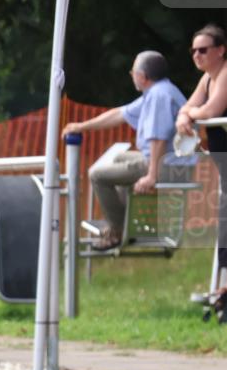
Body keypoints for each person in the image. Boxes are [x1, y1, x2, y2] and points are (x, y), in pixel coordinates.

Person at [63, 51, 193, 251]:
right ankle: (125, 222)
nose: (131, 75)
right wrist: (81, 126)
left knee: (96, 175)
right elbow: (119, 114)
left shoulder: (159, 96)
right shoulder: (159, 91)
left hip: (168, 165)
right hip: (171, 160)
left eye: (133, 71)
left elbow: (158, 137)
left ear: (142, 76)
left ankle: (117, 229)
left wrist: (151, 175)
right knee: (119, 158)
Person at [175, 24, 227, 295]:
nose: (197, 55)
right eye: (193, 50)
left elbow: (210, 110)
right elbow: (189, 107)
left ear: (220, 50)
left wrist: (189, 115)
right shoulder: (207, 78)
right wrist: (185, 116)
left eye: (203, 50)